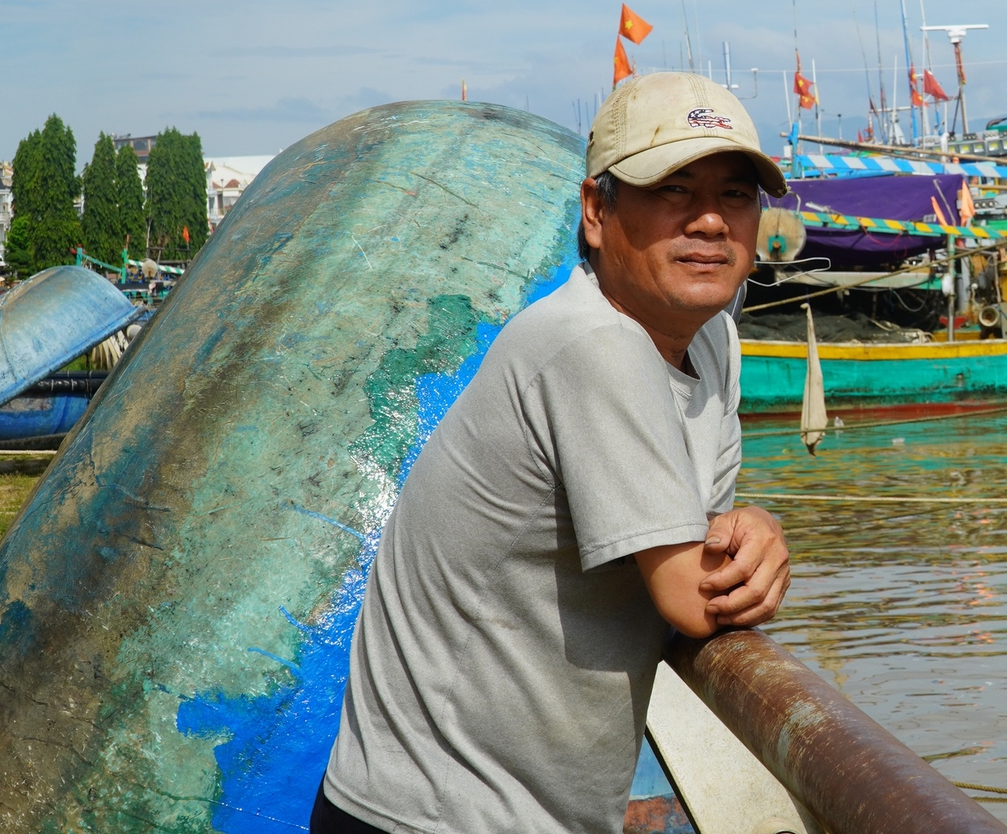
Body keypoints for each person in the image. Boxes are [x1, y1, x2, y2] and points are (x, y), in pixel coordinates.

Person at [315, 72, 794, 834]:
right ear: (597, 212)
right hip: (430, 816)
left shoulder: (715, 343)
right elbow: (696, 595)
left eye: (735, 195)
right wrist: (762, 539)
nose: (710, 220)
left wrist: (746, 534)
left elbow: (703, 537)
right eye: (675, 187)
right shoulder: (591, 341)